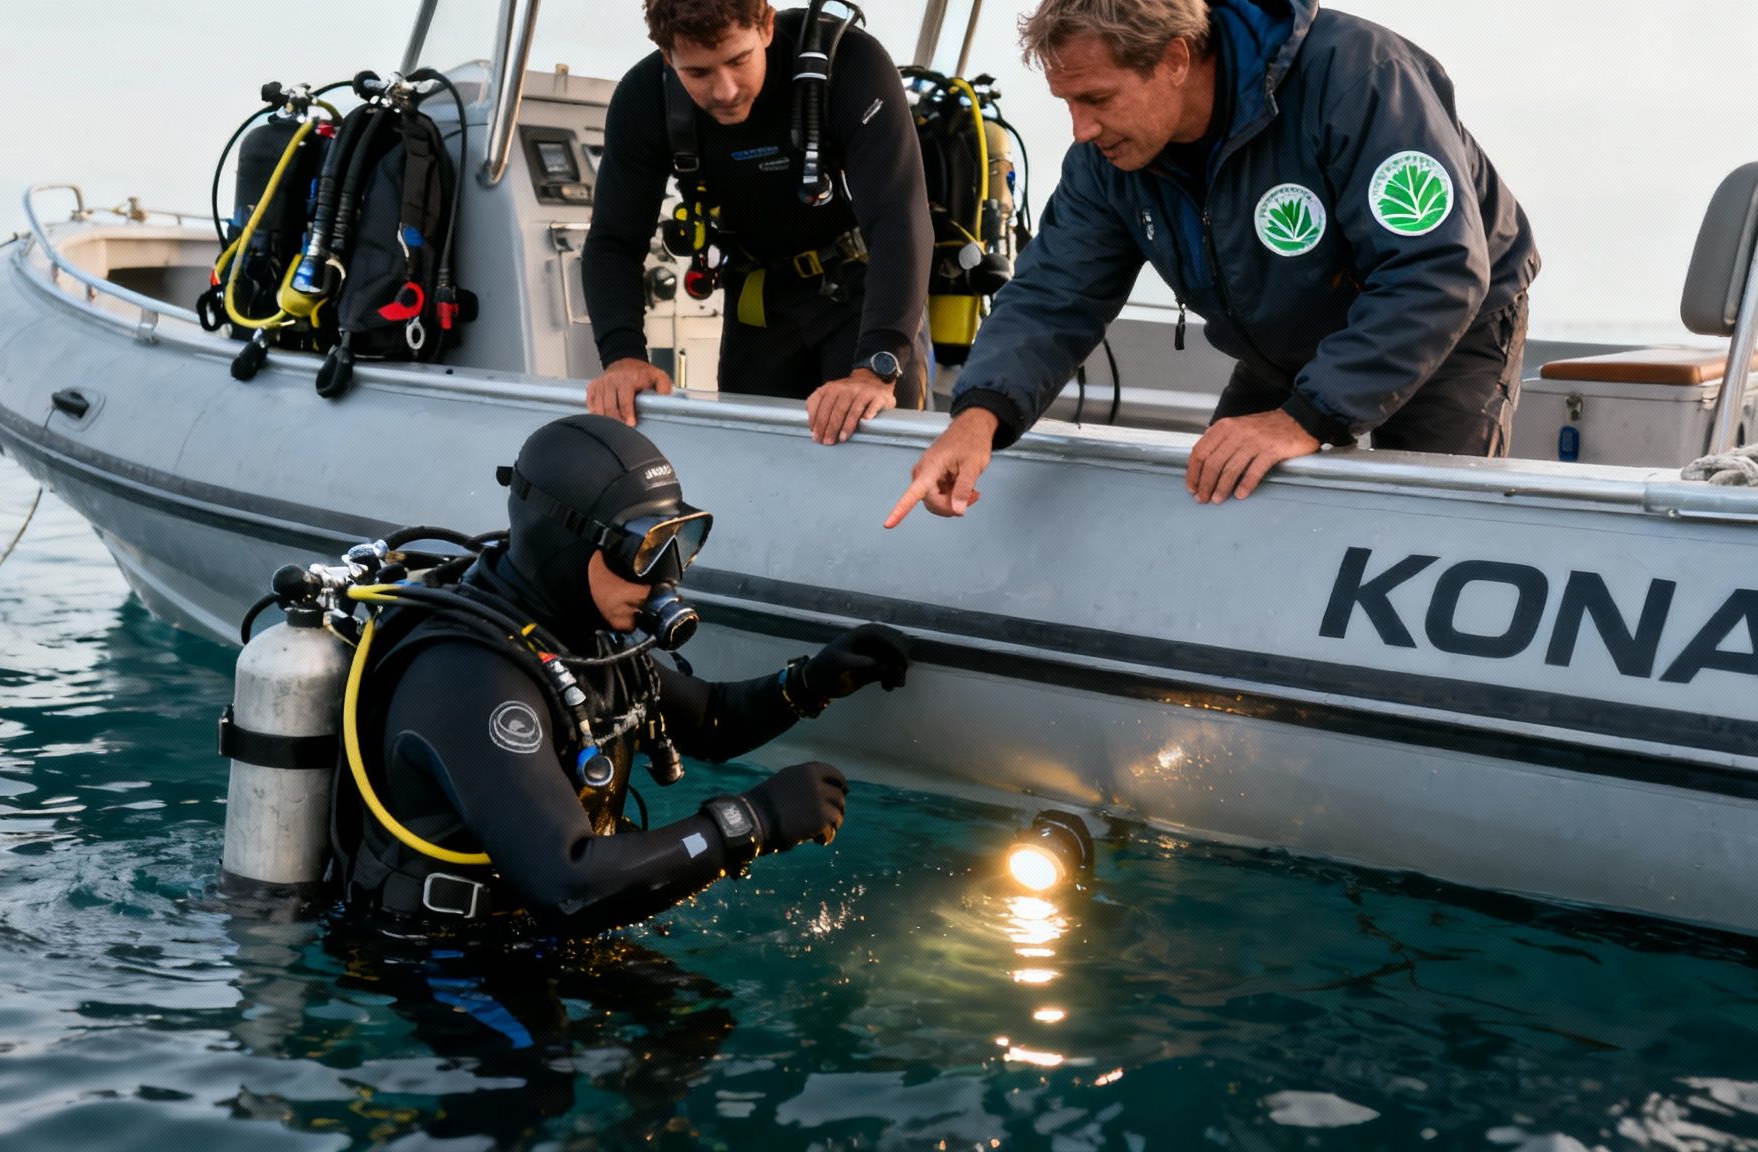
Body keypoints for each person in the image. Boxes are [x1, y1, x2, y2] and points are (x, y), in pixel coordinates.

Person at [886, 0, 1539, 525]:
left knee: (1437, 532)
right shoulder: (1105, 162)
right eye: (1068, 103)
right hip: (1284, 340)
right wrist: (977, 419)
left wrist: (1303, 420)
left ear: (1174, 59)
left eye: (1098, 100)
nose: (1080, 129)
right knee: (1217, 509)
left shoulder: (1361, 77)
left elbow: (1434, 268)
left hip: (1449, 324)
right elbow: (1053, 294)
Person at [331, 413, 911, 935]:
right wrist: (750, 820)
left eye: (681, 539)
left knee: (699, 1025)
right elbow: (570, 885)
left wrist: (809, 684)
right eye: (645, 550)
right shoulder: (469, 677)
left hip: (534, 931)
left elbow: (711, 720)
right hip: (440, 955)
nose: (668, 576)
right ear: (566, 544)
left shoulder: (585, 634)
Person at [582, 0, 934, 445]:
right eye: (699, 73)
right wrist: (622, 357)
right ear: (666, 55)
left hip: (860, 296)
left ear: (766, 27)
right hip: (759, 299)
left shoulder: (851, 64)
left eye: (738, 60)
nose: (725, 90)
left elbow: (899, 219)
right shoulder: (644, 98)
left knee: (883, 461)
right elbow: (614, 240)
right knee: (754, 462)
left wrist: (876, 367)